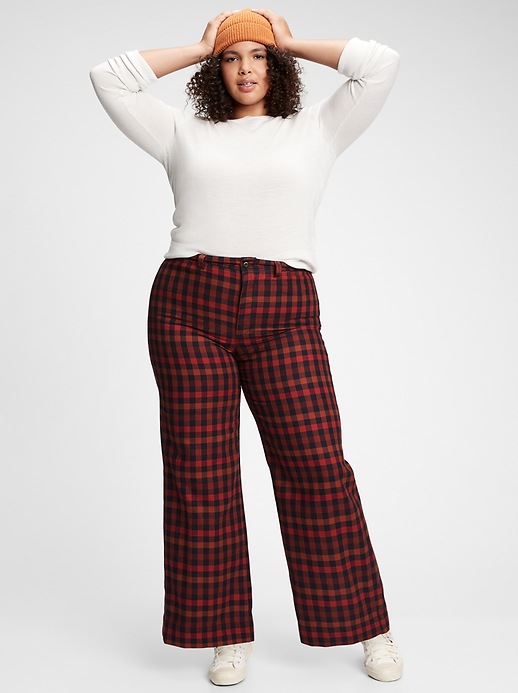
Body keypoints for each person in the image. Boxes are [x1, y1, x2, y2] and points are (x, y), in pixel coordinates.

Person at [90, 8, 402, 687]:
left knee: (317, 465)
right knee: (201, 473)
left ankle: (367, 625)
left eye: (258, 57)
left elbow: (380, 65)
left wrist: (286, 38)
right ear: (215, 70)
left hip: (283, 308)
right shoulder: (181, 131)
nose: (245, 68)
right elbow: (108, 78)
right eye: (232, 58)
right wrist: (202, 43)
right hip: (187, 306)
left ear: (278, 66)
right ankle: (225, 634)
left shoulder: (316, 129)